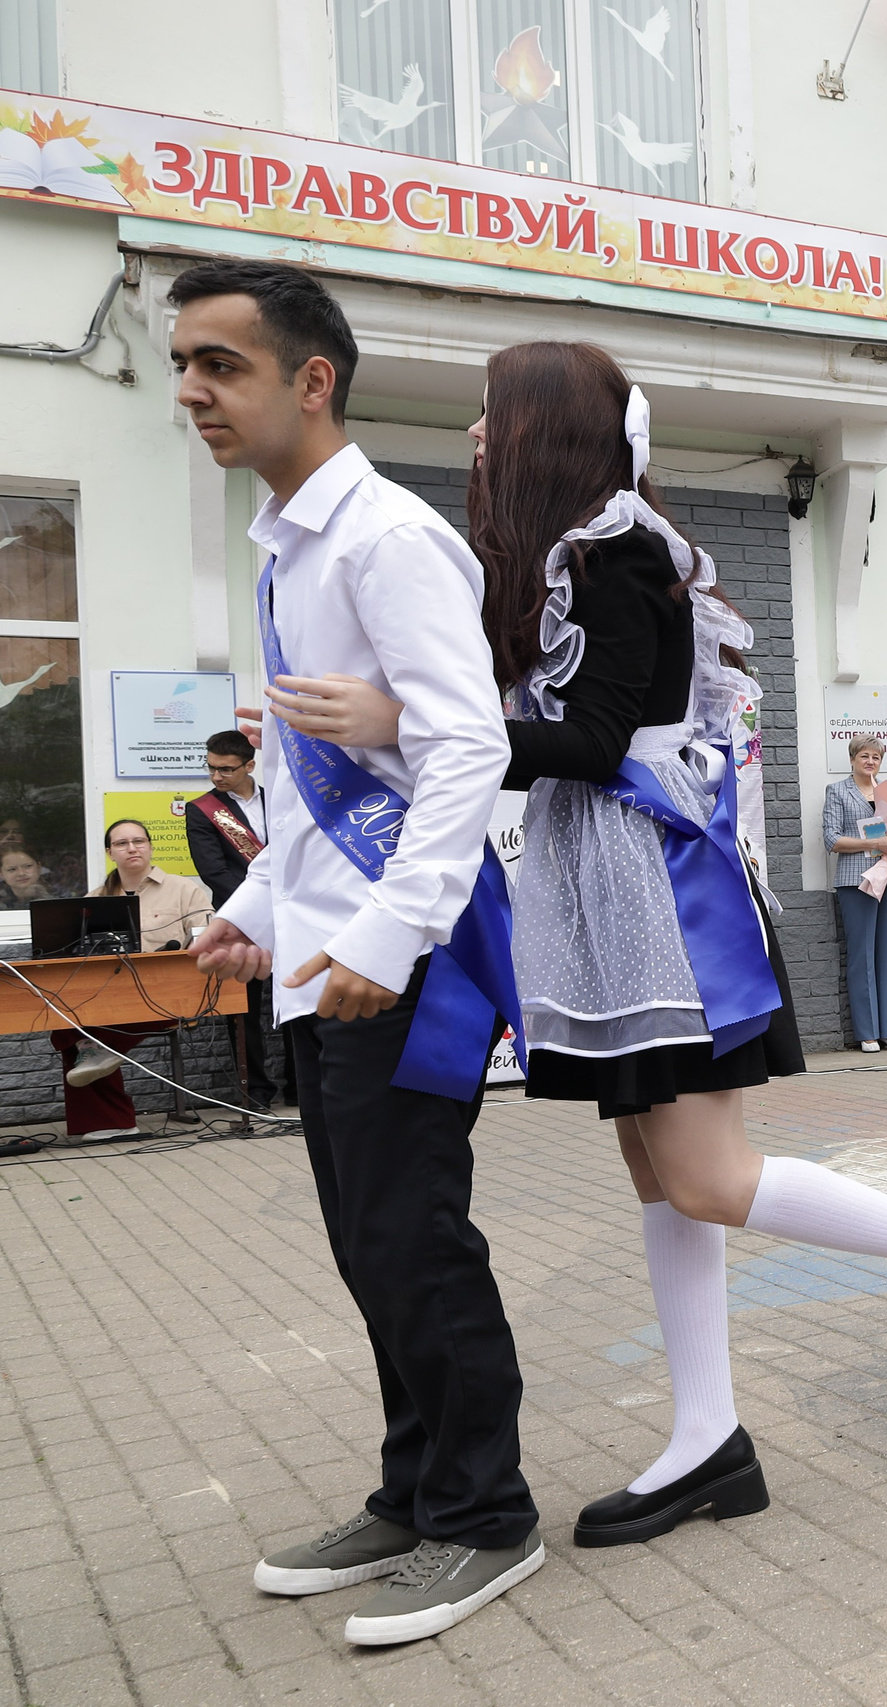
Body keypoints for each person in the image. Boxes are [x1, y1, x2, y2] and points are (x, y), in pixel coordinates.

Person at [283, 341, 887, 1557]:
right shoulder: (564, 557)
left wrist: (419, 725)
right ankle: (710, 1438)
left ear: (547, 428)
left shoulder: (614, 551)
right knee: (657, 1170)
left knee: (705, 1174)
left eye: (495, 415)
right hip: (606, 884)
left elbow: (594, 744)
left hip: (660, 884)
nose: (480, 436)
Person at [174, 260, 543, 1643]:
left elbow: (467, 748)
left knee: (415, 1234)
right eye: (184, 366)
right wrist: (258, 909)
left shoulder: (385, 538)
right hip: (329, 953)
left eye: (221, 364)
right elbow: (318, 793)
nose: (193, 392)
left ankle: (487, 1511)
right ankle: (415, 1485)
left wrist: (390, 934)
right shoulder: (291, 544)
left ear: (310, 379)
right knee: (364, 1239)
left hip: (409, 951)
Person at [50, 820, 216, 1140]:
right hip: (111, 993)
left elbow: (207, 937)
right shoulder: (94, 898)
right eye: (122, 844)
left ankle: (102, 1085)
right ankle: (108, 1120)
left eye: (139, 841)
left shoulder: (184, 890)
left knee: (86, 1031)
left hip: (170, 992)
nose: (132, 848)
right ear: (110, 853)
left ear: (151, 847)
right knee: (68, 1013)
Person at [185, 728, 287, 1109]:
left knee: (297, 997)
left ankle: (301, 1085)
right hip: (242, 921)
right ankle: (256, 1090)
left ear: (250, 765)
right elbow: (215, 873)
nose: (216, 777)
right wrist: (258, 909)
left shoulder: (280, 798)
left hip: (293, 914)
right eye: (211, 768)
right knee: (244, 1010)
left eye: (226, 769)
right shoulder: (202, 810)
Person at [822, 736, 887, 1055]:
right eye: (864, 755)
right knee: (862, 955)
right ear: (852, 759)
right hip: (856, 879)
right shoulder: (837, 791)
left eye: (876, 756)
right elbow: (831, 839)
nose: (870, 761)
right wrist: (875, 844)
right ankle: (867, 1032)